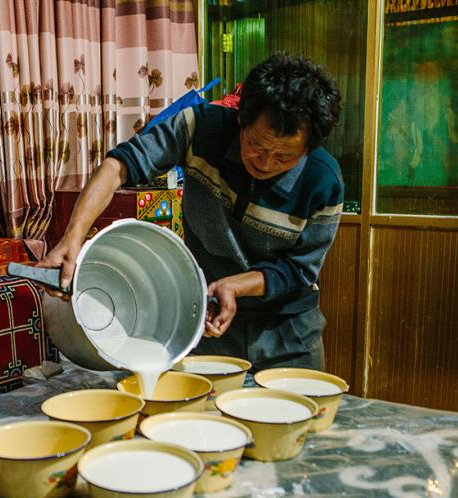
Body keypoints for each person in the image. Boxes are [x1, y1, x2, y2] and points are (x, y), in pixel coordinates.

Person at [39, 52, 344, 371]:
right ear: (241, 118)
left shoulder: (322, 180)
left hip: (288, 338)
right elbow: (120, 165)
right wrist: (72, 238)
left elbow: (298, 270)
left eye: (283, 156)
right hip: (207, 323)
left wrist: (235, 286)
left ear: (309, 147)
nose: (265, 163)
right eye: (256, 144)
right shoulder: (201, 127)